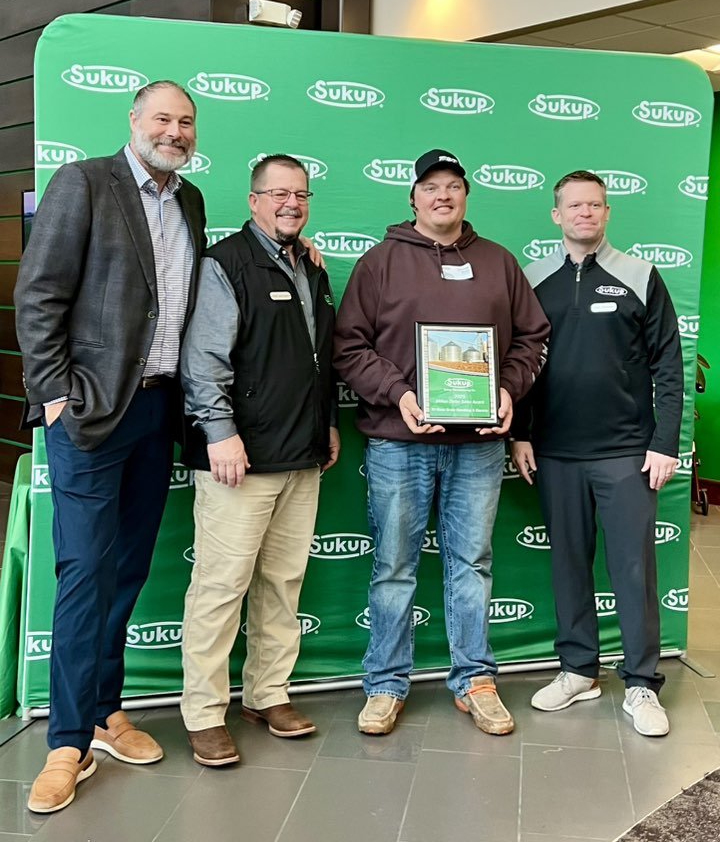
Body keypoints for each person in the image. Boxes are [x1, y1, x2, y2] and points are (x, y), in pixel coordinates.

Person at [14, 81, 207, 812]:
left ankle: (103, 711)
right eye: (162, 118)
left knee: (125, 571)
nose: (175, 130)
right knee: (85, 573)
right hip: (90, 416)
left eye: (186, 121)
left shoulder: (188, 202)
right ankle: (66, 741)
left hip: (159, 414)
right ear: (134, 122)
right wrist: (57, 398)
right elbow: (38, 295)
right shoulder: (84, 182)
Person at [333, 149, 549, 737]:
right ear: (413, 198)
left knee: (472, 564)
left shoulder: (500, 264)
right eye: (431, 187)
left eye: (454, 186)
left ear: (465, 196)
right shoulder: (378, 264)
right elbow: (348, 348)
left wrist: (507, 389)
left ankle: (474, 679)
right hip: (398, 442)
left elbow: (532, 339)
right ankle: (384, 684)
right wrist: (399, 393)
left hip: (478, 445)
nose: (443, 196)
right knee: (394, 566)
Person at [179, 153, 340, 767]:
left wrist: (325, 423)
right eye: (277, 194)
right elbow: (204, 361)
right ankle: (203, 713)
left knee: (282, 583)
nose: (290, 204)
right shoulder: (224, 264)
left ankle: (267, 694)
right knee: (220, 588)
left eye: (299, 194)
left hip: (300, 455)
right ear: (253, 200)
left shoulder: (312, 266)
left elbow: (315, 359)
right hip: (236, 459)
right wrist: (219, 433)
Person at [510, 170, 683, 737]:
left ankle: (640, 684)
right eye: (574, 205)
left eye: (596, 205)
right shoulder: (532, 279)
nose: (586, 212)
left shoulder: (640, 275)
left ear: (607, 214)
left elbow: (669, 368)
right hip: (555, 452)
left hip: (627, 454)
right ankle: (578, 669)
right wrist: (521, 434)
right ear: (556, 215)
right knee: (567, 566)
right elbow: (523, 369)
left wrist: (664, 444)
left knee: (633, 568)